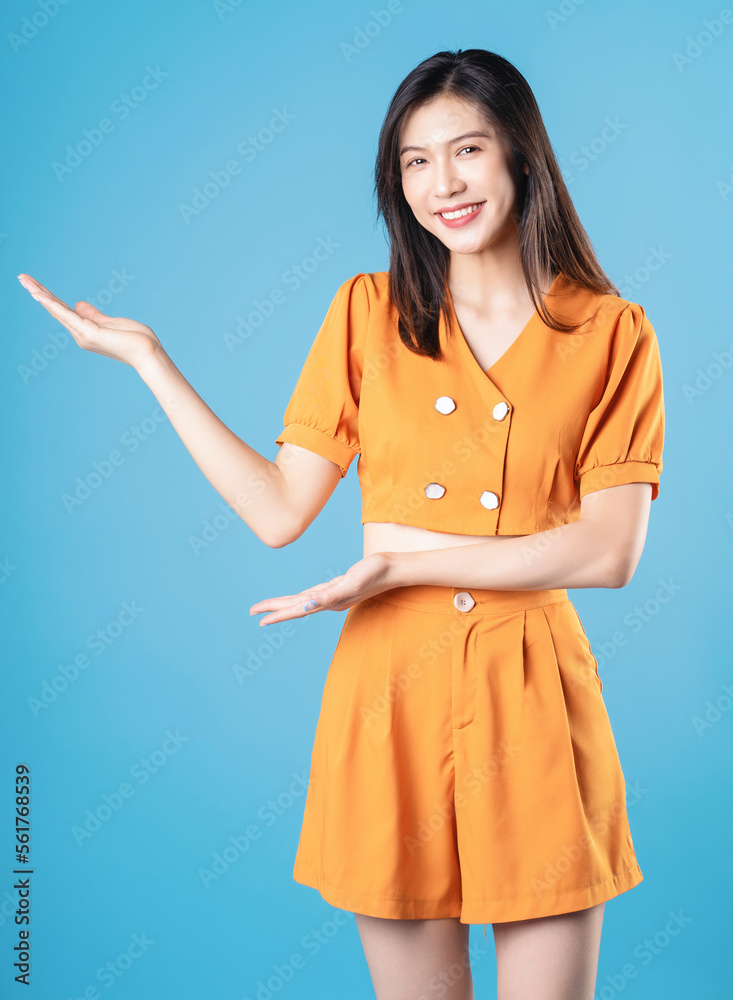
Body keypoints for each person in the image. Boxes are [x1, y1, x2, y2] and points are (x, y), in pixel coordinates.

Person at [18, 47, 664, 1000]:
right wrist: (151, 362)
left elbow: (608, 552)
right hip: (387, 696)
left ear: (522, 157)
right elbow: (280, 510)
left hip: (530, 690)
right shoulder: (369, 313)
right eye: (413, 161)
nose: (441, 183)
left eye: (467, 150)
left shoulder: (611, 332)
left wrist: (397, 567)